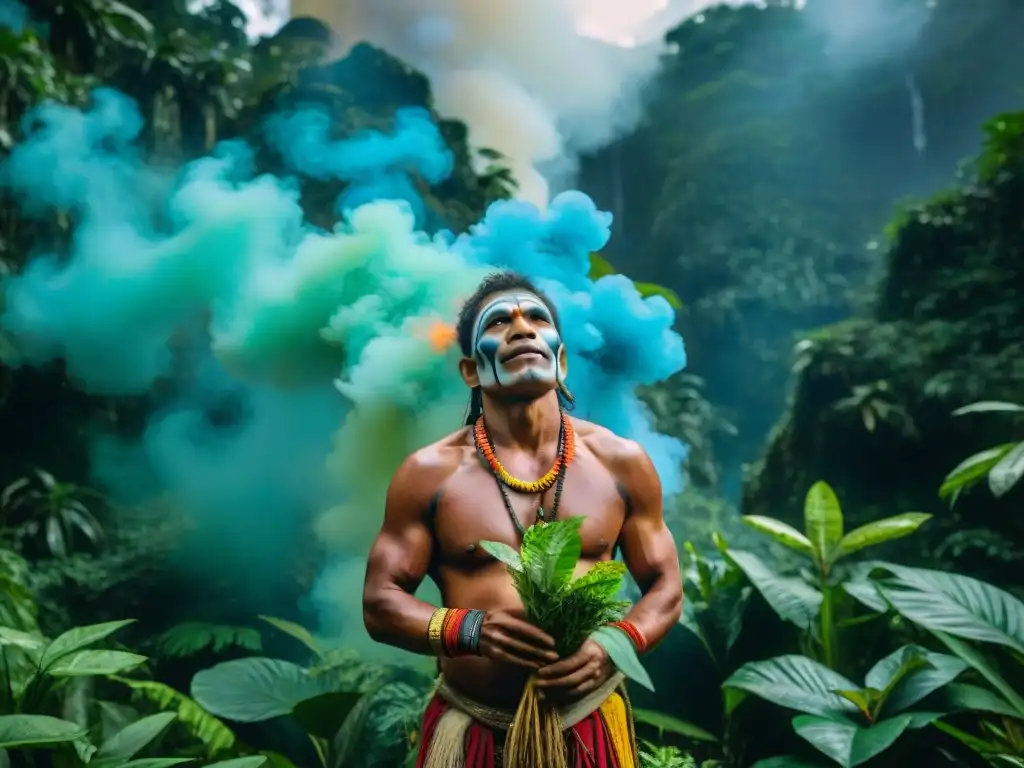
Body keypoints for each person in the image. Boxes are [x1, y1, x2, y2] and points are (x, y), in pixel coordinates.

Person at [362, 270, 682, 768]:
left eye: (536, 317)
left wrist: (612, 646)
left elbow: (665, 586)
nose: (521, 328)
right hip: (473, 732)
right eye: (499, 323)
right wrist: (470, 629)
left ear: (561, 357)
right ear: (471, 371)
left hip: (587, 725)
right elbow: (380, 604)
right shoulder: (429, 474)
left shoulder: (621, 462)